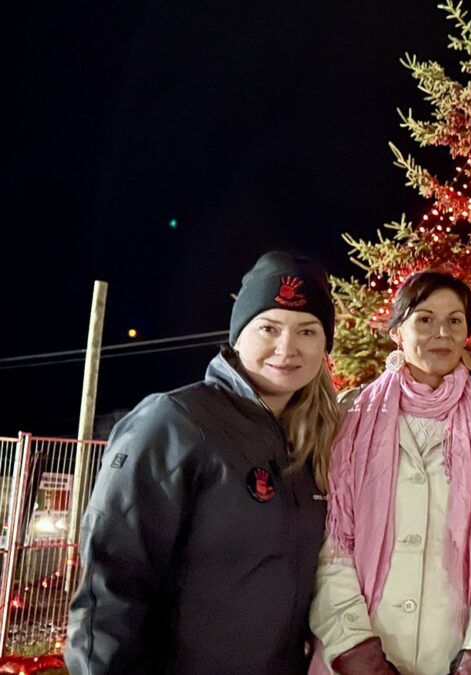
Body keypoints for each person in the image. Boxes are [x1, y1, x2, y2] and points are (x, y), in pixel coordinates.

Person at [65, 251, 341, 674]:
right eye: (269, 327)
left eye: (307, 330)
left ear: (325, 344)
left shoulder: (312, 443)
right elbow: (112, 582)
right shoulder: (176, 422)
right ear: (238, 333)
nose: (287, 348)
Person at [308, 271, 471, 675]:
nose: (440, 332)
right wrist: (356, 649)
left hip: (455, 651)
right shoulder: (352, 413)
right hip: (360, 651)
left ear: (466, 332)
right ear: (397, 332)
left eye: (454, 320)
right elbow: (331, 544)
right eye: (424, 319)